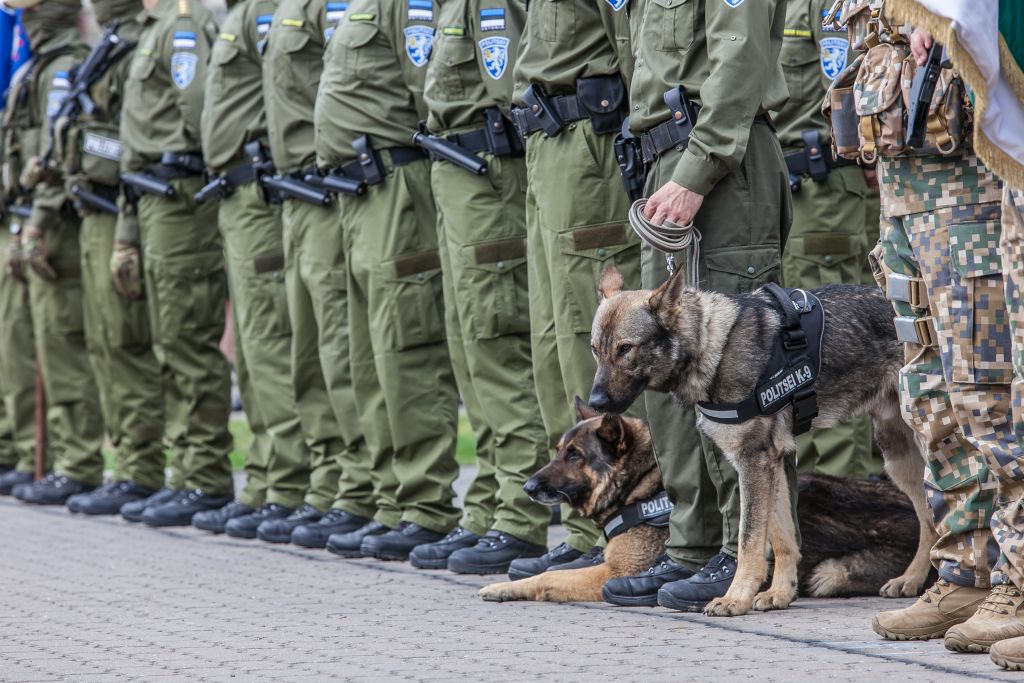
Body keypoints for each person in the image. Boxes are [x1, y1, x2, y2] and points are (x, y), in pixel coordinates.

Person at [603, 0, 794, 611]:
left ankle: (750, 557)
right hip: (670, 159)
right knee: (672, 369)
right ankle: (694, 543)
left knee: (737, 376)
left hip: (719, 167)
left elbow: (738, 63)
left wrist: (695, 170)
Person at [866, 20, 1019, 645]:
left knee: (986, 396)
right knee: (930, 399)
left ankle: (1013, 575)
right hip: (903, 197)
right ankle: (967, 571)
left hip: (969, 200)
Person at [315, 0, 463, 561]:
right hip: (357, 195)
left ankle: (427, 505)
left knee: (407, 352)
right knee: (368, 359)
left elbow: (431, 87)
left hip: (397, 188)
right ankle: (393, 500)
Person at [408, 0, 549, 574]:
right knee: (471, 351)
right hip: (457, 174)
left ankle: (520, 515)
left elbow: (512, 89)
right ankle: (489, 506)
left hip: (488, 175)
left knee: (498, 344)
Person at [503, 0, 640, 581]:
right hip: (546, 139)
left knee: (593, 344)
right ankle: (587, 523)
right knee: (549, 341)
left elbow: (630, 42)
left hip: (589, 142)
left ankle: (623, 523)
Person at [38, 0, 169, 516]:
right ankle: (125, 466)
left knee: (125, 340)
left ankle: (140, 470)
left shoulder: (139, 44)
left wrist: (82, 147)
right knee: (102, 344)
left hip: (118, 209)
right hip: (93, 210)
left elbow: (130, 142)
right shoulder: (112, 45)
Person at [191, 0, 316, 541]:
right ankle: (266, 481)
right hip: (238, 193)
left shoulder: (269, 9)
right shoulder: (246, 10)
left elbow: (282, 94)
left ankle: (286, 485)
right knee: (254, 342)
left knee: (269, 342)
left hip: (261, 190)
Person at [259, 0, 379, 549]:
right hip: (298, 194)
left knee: (340, 351)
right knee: (307, 353)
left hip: (334, 189)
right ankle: (330, 485)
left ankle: (356, 490)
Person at [118, 0, 235, 526]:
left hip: (179, 192)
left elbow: (196, 104)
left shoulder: (184, 22)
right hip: (155, 194)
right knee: (171, 339)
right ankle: (188, 473)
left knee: (189, 335)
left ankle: (204, 477)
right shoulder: (162, 25)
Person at [0, 0, 105, 506]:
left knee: (63, 346)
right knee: (31, 344)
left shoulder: (62, 66)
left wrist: (37, 222)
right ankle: (38, 455)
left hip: (56, 225)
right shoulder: (41, 64)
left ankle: (77, 460)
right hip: (29, 218)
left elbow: (54, 156)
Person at [775, 0, 882, 479]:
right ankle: (817, 495)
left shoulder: (824, 5)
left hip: (821, 194)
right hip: (778, 193)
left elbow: (846, 89)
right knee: (793, 351)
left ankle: (844, 494)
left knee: (830, 348)